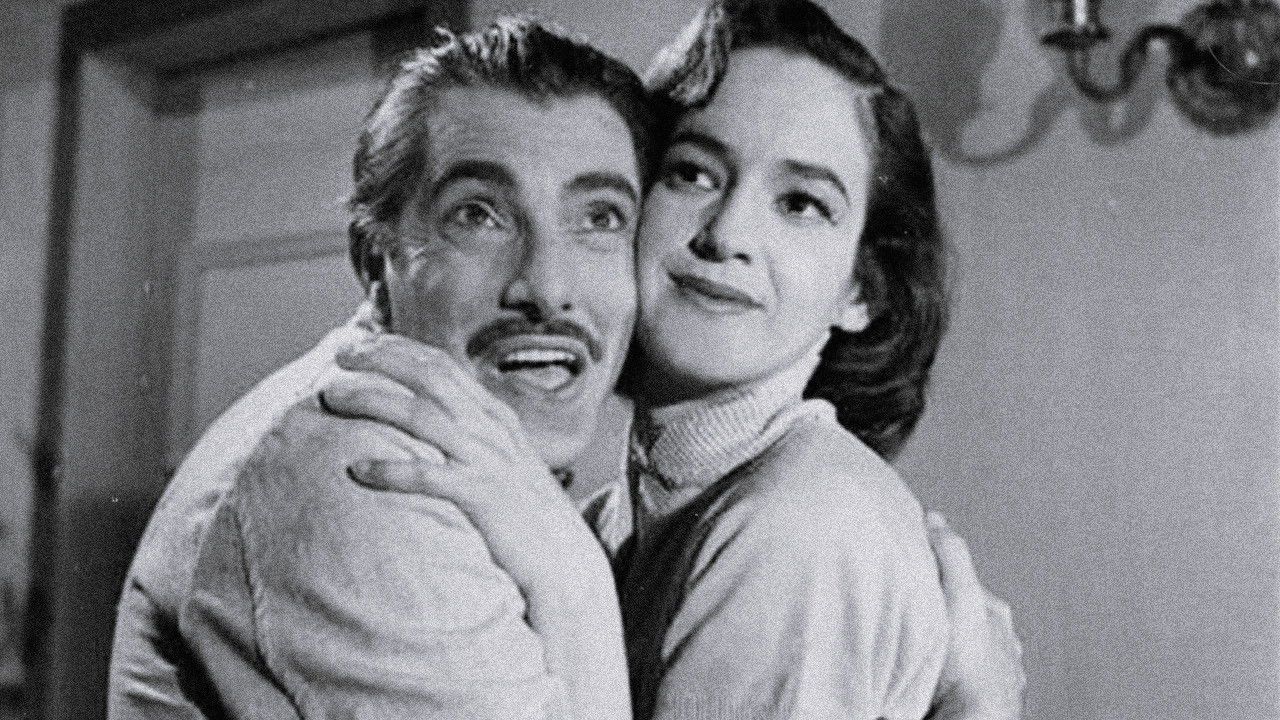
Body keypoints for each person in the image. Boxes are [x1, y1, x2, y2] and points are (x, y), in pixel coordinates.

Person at [109, 10, 1023, 720]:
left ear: (862, 288)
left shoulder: (799, 524)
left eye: (802, 203)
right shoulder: (415, 481)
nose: (726, 235)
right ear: (373, 254)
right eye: (694, 172)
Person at [108, 18, 651, 719]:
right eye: (478, 215)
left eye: (600, 219)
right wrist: (575, 580)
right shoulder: (360, 473)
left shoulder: (467, 457)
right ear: (374, 260)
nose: (547, 288)